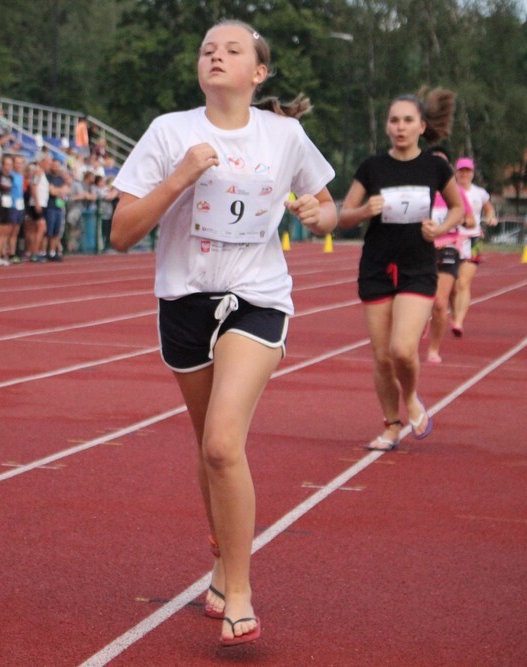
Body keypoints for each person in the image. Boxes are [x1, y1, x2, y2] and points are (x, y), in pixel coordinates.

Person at [111, 20, 336, 647]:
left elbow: (327, 205)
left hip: (258, 298)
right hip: (185, 299)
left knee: (221, 444)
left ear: (258, 73)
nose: (216, 56)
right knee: (208, 447)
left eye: (232, 50)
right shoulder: (169, 132)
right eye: (207, 48)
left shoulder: (284, 135)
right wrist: (180, 178)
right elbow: (122, 231)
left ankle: (239, 588)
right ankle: (220, 558)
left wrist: (324, 214)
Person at [337, 88, 463, 451]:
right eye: (394, 120)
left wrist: (439, 229)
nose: (400, 127)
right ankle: (391, 426)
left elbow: (457, 208)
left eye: (408, 120)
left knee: (402, 351)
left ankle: (410, 399)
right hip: (377, 266)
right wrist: (364, 212)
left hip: (418, 267)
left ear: (422, 126)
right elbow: (344, 215)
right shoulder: (372, 167)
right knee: (381, 356)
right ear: (387, 126)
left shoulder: (435, 167)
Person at [424, 145, 475, 364]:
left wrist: (453, 220)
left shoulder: (456, 193)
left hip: (447, 248)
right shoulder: (416, 190)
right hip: (419, 248)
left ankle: (433, 348)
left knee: (439, 302)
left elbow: (471, 220)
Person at [449, 157, 497, 337]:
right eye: (461, 170)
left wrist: (491, 216)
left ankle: (459, 322)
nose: (464, 174)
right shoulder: (449, 191)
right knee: (453, 286)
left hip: (474, 239)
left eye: (467, 171)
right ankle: (454, 313)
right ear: (456, 172)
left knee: (463, 282)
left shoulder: (480, 193)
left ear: (472, 173)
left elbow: (488, 208)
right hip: (451, 238)